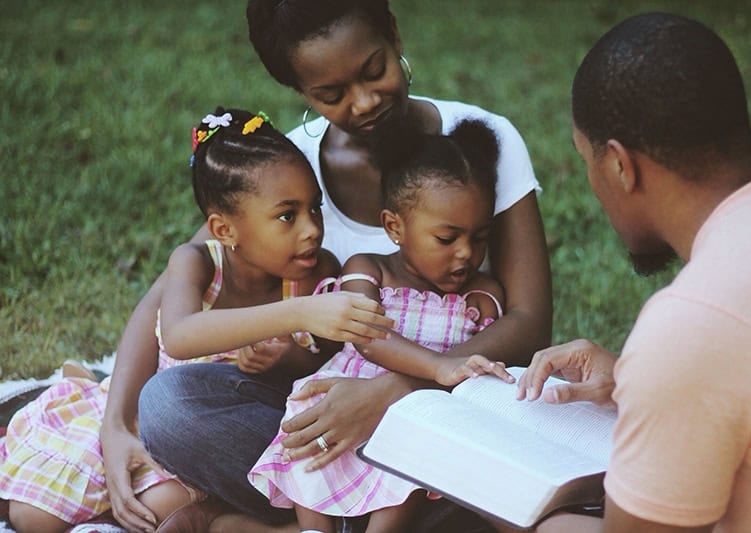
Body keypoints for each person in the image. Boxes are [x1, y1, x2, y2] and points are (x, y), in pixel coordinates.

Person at [112, 1, 552, 531]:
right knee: (169, 405)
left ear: (392, 34)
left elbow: (528, 323)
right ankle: (325, 510)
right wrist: (115, 424)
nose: (365, 102)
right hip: (320, 409)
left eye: (374, 71)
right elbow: (170, 294)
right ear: (300, 90)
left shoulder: (477, 142)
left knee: (505, 458)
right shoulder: (287, 171)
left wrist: (400, 392)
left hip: (455, 397)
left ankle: (293, 518)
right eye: (331, 94)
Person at [0, 107, 393, 533]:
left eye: (314, 208)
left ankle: (167, 516)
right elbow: (180, 336)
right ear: (224, 230)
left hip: (214, 432)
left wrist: (286, 358)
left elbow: (318, 366)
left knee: (161, 505)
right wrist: (298, 313)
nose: (312, 229)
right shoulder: (197, 262)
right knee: (32, 516)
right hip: (145, 411)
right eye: (287, 215)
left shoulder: (315, 274)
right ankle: (106, 508)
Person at [515, 12, 751, 532]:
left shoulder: (692, 324)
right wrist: (628, 378)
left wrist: (531, 516)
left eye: (587, 161)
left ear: (621, 166)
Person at [249, 119, 516, 533]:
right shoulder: (368, 270)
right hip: (350, 391)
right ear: (395, 227)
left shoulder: (482, 294)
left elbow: (490, 357)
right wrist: (439, 365)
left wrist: (441, 376)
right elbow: (369, 338)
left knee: (410, 450)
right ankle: (313, 527)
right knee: (305, 406)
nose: (466, 253)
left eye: (479, 238)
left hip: (422, 410)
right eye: (447, 239)